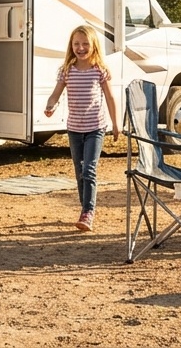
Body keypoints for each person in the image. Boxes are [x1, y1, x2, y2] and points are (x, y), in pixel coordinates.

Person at [43, 25, 121, 232]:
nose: (81, 48)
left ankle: (88, 211)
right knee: (79, 171)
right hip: (75, 128)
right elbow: (55, 94)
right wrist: (50, 106)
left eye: (85, 44)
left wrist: (116, 124)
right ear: (71, 46)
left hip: (96, 127)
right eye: (76, 44)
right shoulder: (67, 71)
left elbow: (111, 98)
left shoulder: (99, 70)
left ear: (94, 45)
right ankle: (84, 207)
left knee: (89, 169)